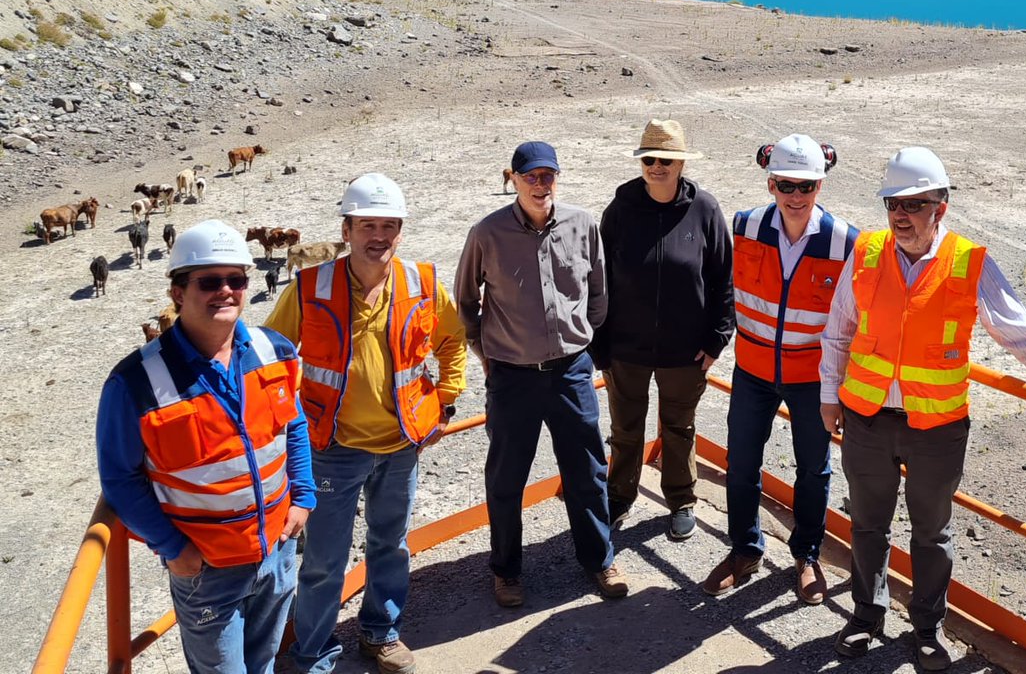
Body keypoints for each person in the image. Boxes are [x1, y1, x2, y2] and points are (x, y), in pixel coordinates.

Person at [820, 146, 1026, 671]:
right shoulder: (867, 254)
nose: (901, 214)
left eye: (915, 204)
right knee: (868, 525)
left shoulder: (969, 263)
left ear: (941, 207)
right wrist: (829, 396)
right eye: (894, 202)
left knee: (930, 534)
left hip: (937, 429)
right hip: (868, 419)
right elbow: (838, 332)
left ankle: (926, 629)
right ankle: (866, 617)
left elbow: (1023, 338)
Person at [266, 173, 467, 674]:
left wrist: (444, 401)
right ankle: (311, 652)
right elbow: (268, 359)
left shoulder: (421, 282)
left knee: (390, 545)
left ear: (401, 230)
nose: (378, 235)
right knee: (324, 562)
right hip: (331, 446)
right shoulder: (311, 287)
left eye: (389, 225)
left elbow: (453, 341)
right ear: (347, 228)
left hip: (402, 444)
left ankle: (380, 633)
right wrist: (284, 427)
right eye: (367, 224)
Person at [96, 220, 315, 674]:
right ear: (177, 292)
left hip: (276, 550)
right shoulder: (135, 382)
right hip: (207, 569)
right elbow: (120, 477)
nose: (226, 291)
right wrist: (173, 548)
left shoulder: (274, 350)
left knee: (264, 664)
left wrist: (304, 497)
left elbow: (292, 425)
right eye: (209, 281)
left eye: (236, 280)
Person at [454, 139, 628, 608]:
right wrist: (484, 352)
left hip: (571, 370)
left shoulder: (583, 223)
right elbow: (466, 302)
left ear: (557, 177)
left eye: (547, 175)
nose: (539, 184)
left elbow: (599, 290)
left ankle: (599, 559)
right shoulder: (486, 233)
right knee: (507, 477)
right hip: (512, 376)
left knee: (588, 471)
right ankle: (506, 571)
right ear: (511, 179)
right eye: (530, 176)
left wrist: (581, 336)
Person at [702, 134, 857, 604]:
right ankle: (745, 550)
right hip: (752, 370)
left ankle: (806, 555)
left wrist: (843, 386)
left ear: (820, 187)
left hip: (813, 379)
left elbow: (853, 319)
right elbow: (723, 290)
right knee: (742, 463)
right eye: (786, 185)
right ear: (770, 184)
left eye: (806, 187)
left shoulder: (845, 241)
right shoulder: (744, 226)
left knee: (814, 469)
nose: (795, 196)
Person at [592, 118, 734, 541]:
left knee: (679, 427)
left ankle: (681, 498)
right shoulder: (619, 211)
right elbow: (598, 281)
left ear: (681, 163)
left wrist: (716, 340)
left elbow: (723, 278)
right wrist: (601, 346)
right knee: (625, 427)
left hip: (684, 351)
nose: (657, 166)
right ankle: (619, 495)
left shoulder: (704, 210)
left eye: (666, 159)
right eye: (650, 158)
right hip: (626, 349)